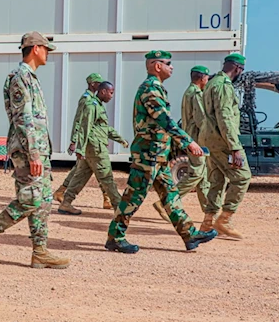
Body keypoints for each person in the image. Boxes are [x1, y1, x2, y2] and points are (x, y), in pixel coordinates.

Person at [0, 31, 70, 269]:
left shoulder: (31, 78)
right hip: (27, 150)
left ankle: (40, 252)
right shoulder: (19, 77)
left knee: (44, 201)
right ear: (35, 48)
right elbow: (23, 118)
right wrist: (33, 153)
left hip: (38, 149)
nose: (47, 54)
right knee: (29, 199)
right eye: (46, 49)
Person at [105, 50, 218, 254]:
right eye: (168, 63)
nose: (172, 67)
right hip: (148, 154)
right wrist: (188, 142)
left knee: (170, 195)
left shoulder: (157, 88)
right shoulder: (150, 89)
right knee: (134, 196)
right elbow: (164, 120)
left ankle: (189, 233)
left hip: (159, 155)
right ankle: (115, 237)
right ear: (157, 66)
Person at [57, 81, 129, 215]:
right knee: (107, 178)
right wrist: (79, 148)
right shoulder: (91, 106)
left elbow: (104, 128)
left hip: (92, 148)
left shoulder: (99, 106)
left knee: (80, 177)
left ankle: (66, 203)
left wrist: (121, 140)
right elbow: (85, 127)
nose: (112, 96)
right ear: (103, 92)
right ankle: (119, 207)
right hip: (96, 149)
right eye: (111, 92)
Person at [200, 53, 251, 239]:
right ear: (238, 68)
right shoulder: (223, 86)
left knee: (217, 180)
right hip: (222, 141)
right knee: (242, 176)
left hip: (210, 140)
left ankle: (207, 223)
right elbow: (225, 118)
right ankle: (225, 219)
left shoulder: (212, 82)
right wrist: (235, 147)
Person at [151, 66, 211, 223]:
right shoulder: (196, 94)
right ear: (202, 78)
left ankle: (209, 212)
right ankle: (166, 202)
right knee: (197, 173)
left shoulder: (188, 91)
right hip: (197, 139)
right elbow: (201, 120)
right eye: (206, 78)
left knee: (203, 176)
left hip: (190, 137)